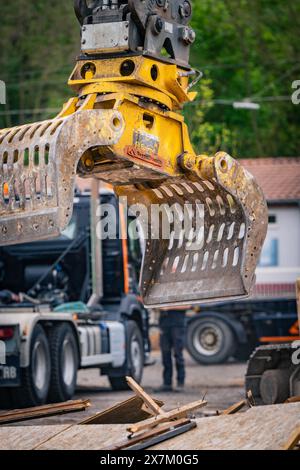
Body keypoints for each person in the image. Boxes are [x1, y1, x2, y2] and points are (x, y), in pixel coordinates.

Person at [156, 309, 186, 392]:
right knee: (165, 354)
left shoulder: (180, 295)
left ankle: (180, 382)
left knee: (178, 354)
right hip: (164, 323)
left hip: (177, 324)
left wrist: (167, 307)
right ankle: (167, 383)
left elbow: (187, 305)